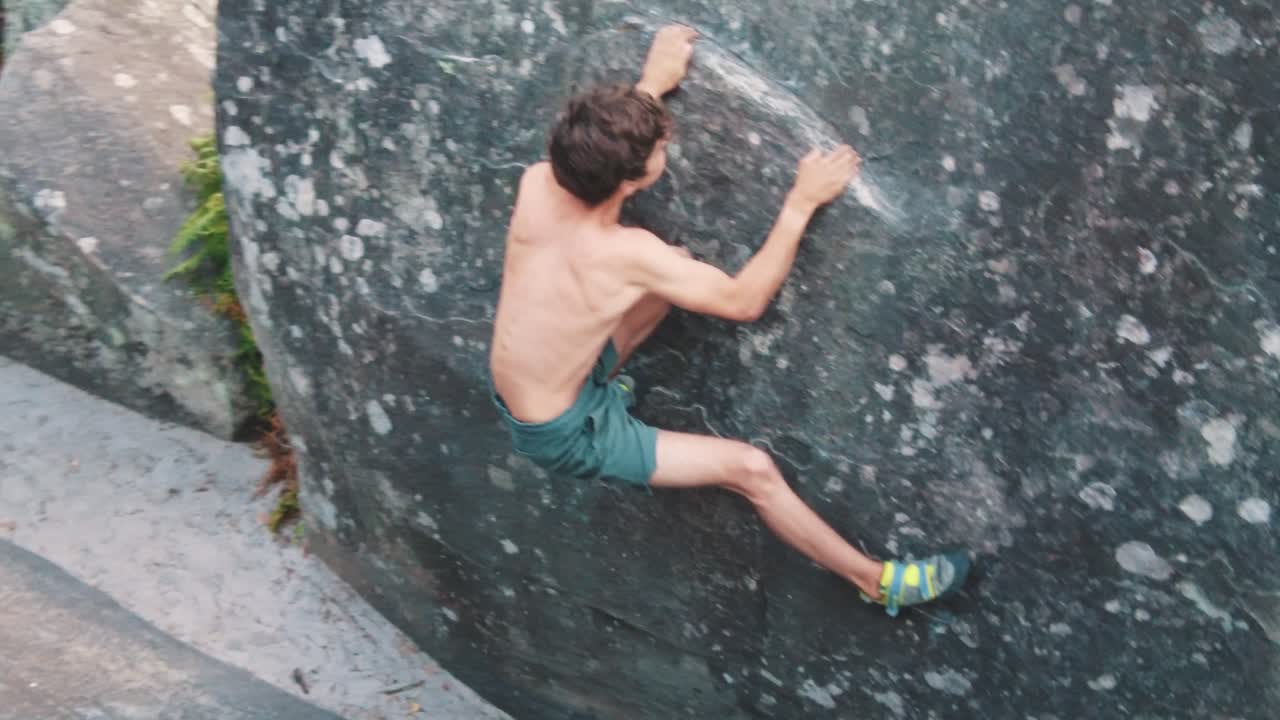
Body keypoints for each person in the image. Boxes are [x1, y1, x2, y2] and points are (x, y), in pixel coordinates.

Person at [488, 25, 969, 616]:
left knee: (666, 283)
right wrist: (800, 204)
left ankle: (603, 389)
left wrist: (651, 86)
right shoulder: (629, 255)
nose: (667, 144)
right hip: (565, 435)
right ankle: (877, 581)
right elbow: (743, 301)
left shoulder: (539, 183)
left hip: (528, 386)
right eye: (660, 149)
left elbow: (603, 164)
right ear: (633, 181)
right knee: (751, 469)